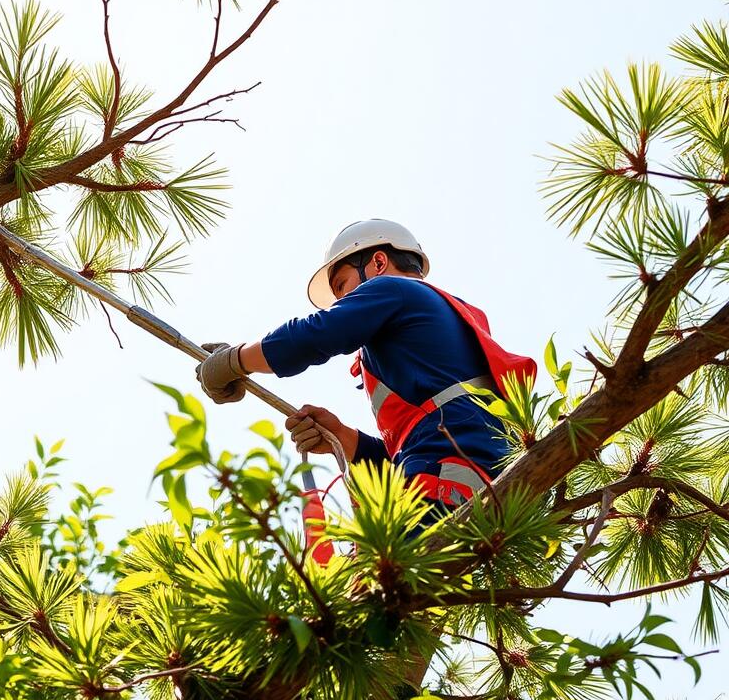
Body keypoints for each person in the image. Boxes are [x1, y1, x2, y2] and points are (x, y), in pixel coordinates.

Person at [194, 219, 535, 518]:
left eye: (342, 285)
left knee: (380, 590)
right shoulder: (436, 333)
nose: (343, 301)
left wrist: (235, 360)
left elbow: (315, 334)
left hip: (445, 482)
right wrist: (343, 438)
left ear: (378, 262)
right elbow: (409, 453)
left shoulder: (394, 289)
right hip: (474, 482)